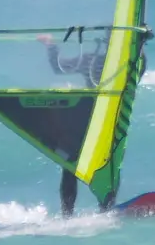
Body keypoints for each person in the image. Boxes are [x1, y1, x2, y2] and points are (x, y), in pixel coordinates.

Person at [37, 33, 108, 217]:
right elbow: (61, 68)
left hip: (91, 114)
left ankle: (67, 215)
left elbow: (59, 68)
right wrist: (51, 45)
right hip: (98, 115)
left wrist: (51, 45)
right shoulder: (119, 62)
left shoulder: (93, 59)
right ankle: (103, 210)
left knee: (71, 164)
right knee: (80, 164)